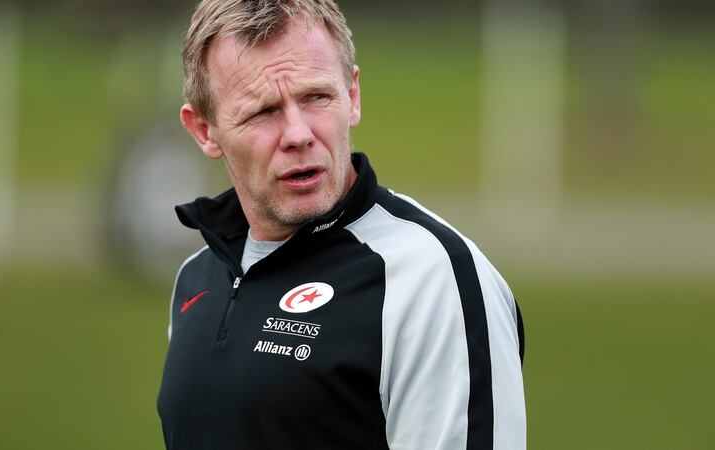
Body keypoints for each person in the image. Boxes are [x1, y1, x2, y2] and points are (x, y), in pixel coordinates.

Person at [157, 1, 526, 449]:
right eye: (263, 111)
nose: (298, 134)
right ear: (204, 130)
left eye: (317, 97)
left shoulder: (431, 279)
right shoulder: (197, 277)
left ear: (352, 96)